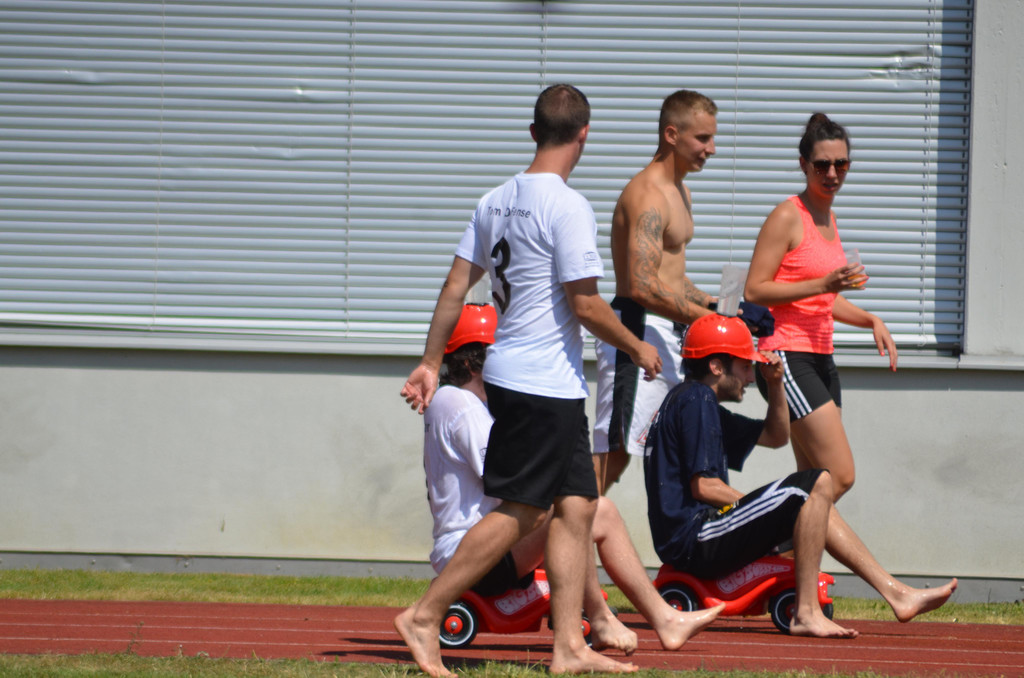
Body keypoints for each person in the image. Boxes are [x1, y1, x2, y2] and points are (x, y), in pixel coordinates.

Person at [397, 84, 662, 677]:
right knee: (525, 510)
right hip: (540, 381)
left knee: (577, 505)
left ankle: (569, 646)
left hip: (541, 380)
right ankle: (425, 614)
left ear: (534, 132)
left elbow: (454, 287)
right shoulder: (568, 206)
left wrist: (431, 361)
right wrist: (637, 345)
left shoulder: (494, 200)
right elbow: (586, 305)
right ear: (584, 135)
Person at [425, 303, 722, 655]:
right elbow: (506, 475)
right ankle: (616, 618)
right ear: (470, 363)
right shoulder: (460, 404)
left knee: (593, 507)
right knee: (581, 507)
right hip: (472, 553)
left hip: (480, 547)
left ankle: (650, 618)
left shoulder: (463, 403)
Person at [643, 314, 957, 639]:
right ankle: (807, 612)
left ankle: (896, 593)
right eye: (745, 366)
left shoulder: (693, 401)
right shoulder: (697, 400)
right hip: (696, 537)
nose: (750, 377)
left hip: (694, 536)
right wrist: (766, 511)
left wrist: (776, 384)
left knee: (814, 492)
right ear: (717, 366)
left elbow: (775, 435)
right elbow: (704, 486)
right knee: (814, 483)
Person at [743, 113, 897, 501]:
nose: (832, 174)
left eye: (841, 164)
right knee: (838, 475)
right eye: (822, 165)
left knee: (812, 479)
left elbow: (825, 300)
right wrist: (824, 284)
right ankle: (767, 529)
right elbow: (755, 290)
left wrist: (870, 319)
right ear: (803, 164)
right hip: (785, 354)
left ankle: (792, 543)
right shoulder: (787, 215)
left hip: (821, 355)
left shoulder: (829, 217)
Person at [592, 89, 719, 494]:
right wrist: (711, 322)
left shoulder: (681, 190)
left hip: (670, 333)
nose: (711, 149)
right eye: (702, 138)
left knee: (673, 448)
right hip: (637, 331)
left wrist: (717, 306)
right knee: (613, 455)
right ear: (671, 135)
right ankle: (549, 532)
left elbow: (671, 279)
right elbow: (642, 286)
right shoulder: (646, 194)